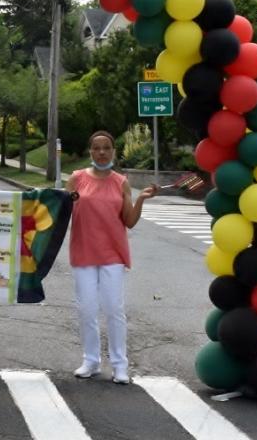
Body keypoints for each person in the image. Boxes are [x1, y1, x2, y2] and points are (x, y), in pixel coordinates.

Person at [64, 131, 157, 384]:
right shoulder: (76, 179)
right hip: (84, 253)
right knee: (87, 310)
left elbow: (129, 220)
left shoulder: (121, 182)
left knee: (114, 309)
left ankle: (119, 365)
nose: (102, 152)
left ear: (113, 151)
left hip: (112, 254)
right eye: (97, 148)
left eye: (107, 148)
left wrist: (140, 200)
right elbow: (60, 210)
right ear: (90, 151)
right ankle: (91, 360)